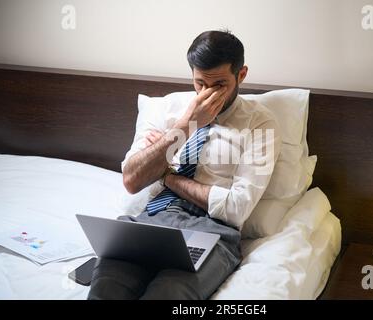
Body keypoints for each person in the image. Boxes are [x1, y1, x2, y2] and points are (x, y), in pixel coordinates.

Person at [88, 30, 281, 300]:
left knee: (169, 293)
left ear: (242, 74)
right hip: (151, 221)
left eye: (219, 85)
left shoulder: (261, 124)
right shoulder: (167, 109)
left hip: (212, 231)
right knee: (105, 290)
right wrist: (186, 125)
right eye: (200, 83)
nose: (207, 93)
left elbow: (237, 209)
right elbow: (132, 179)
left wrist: (166, 176)